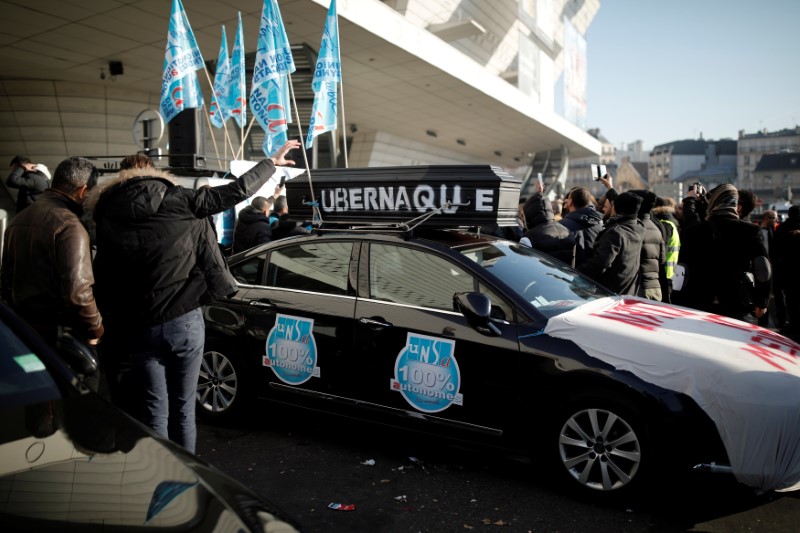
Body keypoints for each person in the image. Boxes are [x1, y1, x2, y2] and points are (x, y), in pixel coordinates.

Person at [88, 139, 301, 453]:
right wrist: (271, 162)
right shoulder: (180, 200)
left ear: (121, 178)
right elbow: (238, 191)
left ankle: (161, 474)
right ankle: (189, 482)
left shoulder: (106, 216)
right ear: (154, 173)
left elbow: (103, 276)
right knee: (184, 408)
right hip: (184, 321)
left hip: (139, 326)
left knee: (153, 409)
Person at [0, 157, 104, 383]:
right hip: (62, 339)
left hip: (27, 333)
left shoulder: (19, 219)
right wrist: (95, 330)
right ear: (82, 190)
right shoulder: (70, 226)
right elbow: (79, 294)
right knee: (75, 407)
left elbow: (6, 280)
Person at [675, 184, 771, 322]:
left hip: (697, 302)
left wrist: (678, 299)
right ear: (735, 204)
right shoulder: (749, 231)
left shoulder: (693, 232)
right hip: (736, 302)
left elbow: (682, 268)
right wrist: (762, 301)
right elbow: (763, 267)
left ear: (714, 202)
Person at [577, 191, 645, 295]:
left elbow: (600, 264)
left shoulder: (616, 232)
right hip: (629, 290)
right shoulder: (639, 227)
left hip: (610, 293)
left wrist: (575, 272)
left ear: (616, 208)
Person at [520, 181, 576, 266]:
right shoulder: (567, 231)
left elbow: (524, 267)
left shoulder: (528, 239)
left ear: (529, 213)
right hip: (564, 278)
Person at [772, 205, 800, 336]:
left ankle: (793, 324)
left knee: (790, 299)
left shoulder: (781, 229)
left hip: (787, 271)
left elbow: (775, 251)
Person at [559, 186, 604, 266]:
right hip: (592, 275)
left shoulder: (560, 226)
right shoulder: (600, 226)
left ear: (571, 202)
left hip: (569, 273)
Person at [231, 190, 285, 254]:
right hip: (252, 262)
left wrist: (275, 196)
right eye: (268, 210)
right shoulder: (263, 227)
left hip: (237, 260)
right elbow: (264, 251)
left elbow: (261, 204)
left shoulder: (239, 220)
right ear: (265, 212)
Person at [652, 196, 682, 303]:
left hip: (664, 275)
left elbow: (660, 251)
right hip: (670, 274)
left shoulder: (665, 225)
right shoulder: (672, 223)